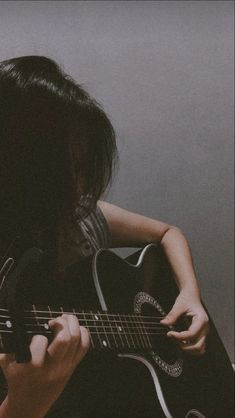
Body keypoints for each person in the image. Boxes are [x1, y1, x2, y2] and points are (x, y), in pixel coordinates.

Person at [0, 56, 209, 418]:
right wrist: (24, 405)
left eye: (84, 167)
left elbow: (167, 233)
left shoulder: (83, 218)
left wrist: (190, 294)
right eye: (70, 170)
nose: (82, 187)